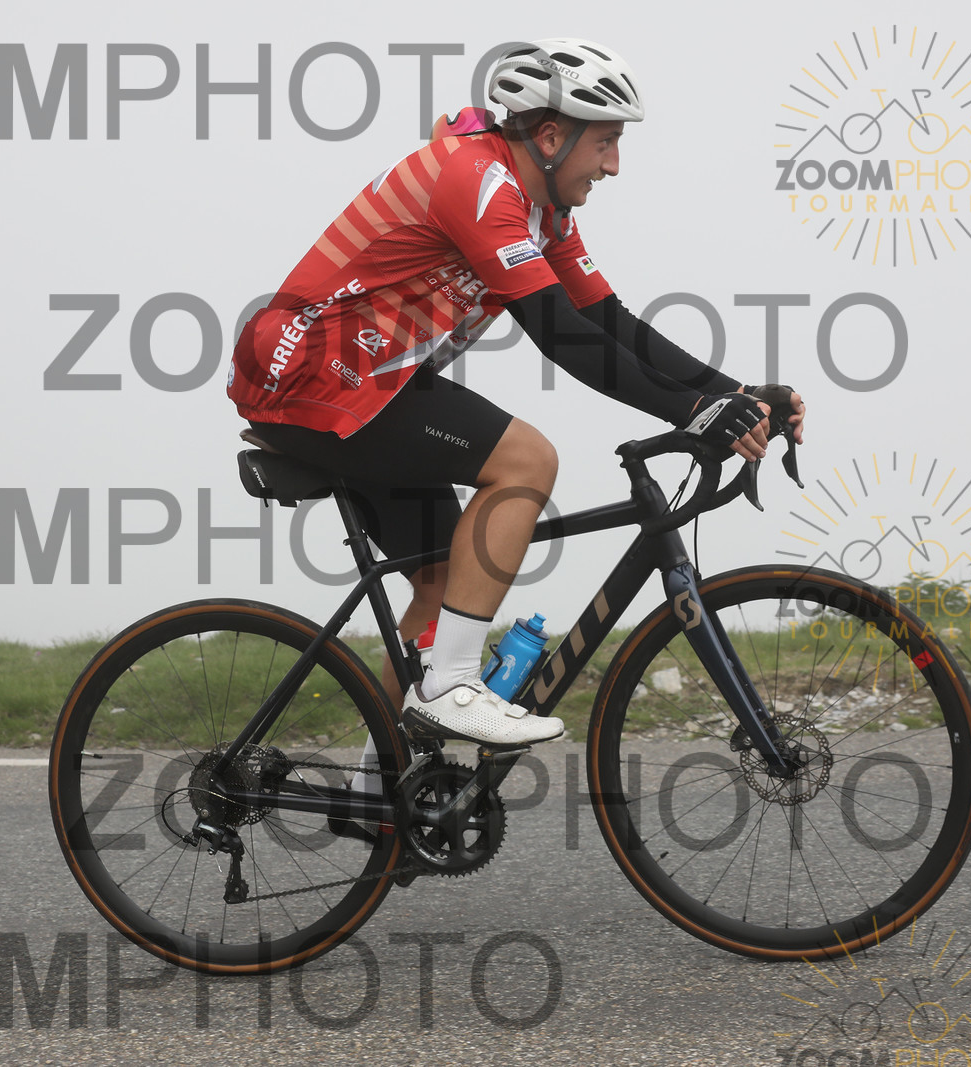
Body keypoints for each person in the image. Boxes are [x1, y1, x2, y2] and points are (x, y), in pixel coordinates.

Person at [227, 38, 805, 751]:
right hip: (317, 375)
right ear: (552, 136)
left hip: (370, 383)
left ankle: (379, 788)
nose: (614, 166)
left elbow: (608, 320)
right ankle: (449, 686)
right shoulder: (476, 181)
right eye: (606, 142)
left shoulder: (541, 210)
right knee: (527, 460)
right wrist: (694, 412)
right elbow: (561, 335)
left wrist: (734, 393)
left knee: (444, 583)